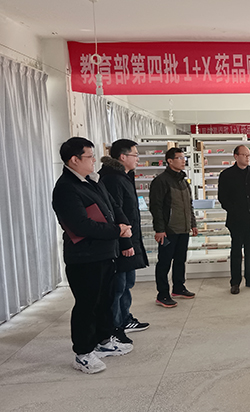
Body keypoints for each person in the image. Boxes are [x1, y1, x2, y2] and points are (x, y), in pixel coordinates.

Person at [52, 137, 133, 374]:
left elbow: (112, 207)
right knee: (87, 305)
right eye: (89, 156)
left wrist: (123, 225)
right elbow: (80, 225)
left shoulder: (91, 181)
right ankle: (83, 353)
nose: (94, 160)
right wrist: (117, 231)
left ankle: (103, 341)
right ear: (74, 160)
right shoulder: (66, 188)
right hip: (84, 257)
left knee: (105, 300)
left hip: (105, 252)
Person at [99, 139, 150, 344]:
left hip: (130, 238)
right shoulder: (112, 179)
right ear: (122, 156)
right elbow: (115, 213)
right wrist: (125, 243)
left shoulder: (124, 176)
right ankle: (115, 326)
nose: (138, 159)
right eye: (135, 155)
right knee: (117, 287)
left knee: (127, 283)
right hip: (121, 242)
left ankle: (125, 319)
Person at [149, 147, 198, 308]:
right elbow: (156, 207)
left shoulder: (183, 180)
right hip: (168, 230)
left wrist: (193, 223)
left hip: (183, 228)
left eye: (184, 158)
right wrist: (159, 229)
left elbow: (189, 205)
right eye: (180, 158)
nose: (183, 161)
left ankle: (179, 287)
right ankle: (162, 294)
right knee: (164, 262)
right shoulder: (161, 181)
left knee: (180, 260)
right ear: (170, 161)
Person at [218, 145, 250, 295]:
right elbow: (222, 197)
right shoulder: (226, 175)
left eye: (249, 155)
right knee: (236, 251)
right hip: (236, 219)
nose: (247, 158)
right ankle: (235, 282)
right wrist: (233, 210)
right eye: (244, 155)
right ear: (236, 156)